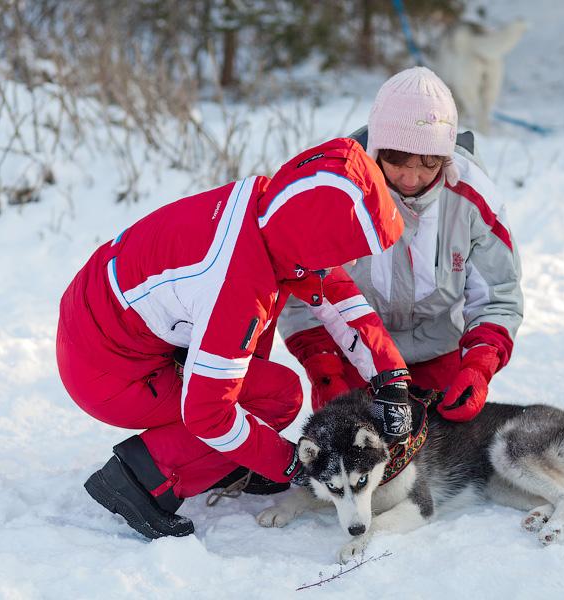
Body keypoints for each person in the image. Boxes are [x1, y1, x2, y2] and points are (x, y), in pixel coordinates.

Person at [56, 137, 414, 540]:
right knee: (276, 397)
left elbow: (333, 290)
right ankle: (143, 478)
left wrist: (391, 379)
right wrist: (290, 465)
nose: (347, 262)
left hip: (104, 324)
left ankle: (226, 462)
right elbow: (209, 413)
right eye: (343, 251)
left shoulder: (268, 210)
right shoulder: (234, 287)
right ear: (313, 241)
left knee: (267, 394)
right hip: (108, 368)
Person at [280, 66, 523, 422]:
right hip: (355, 354)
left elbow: (499, 294)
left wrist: (479, 365)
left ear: (446, 154)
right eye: (397, 161)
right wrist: (322, 364)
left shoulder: (474, 199)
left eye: (428, 163)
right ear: (378, 149)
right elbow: (298, 287)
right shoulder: (335, 194)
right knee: (352, 442)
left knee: (442, 446)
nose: (411, 178)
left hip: (439, 349)